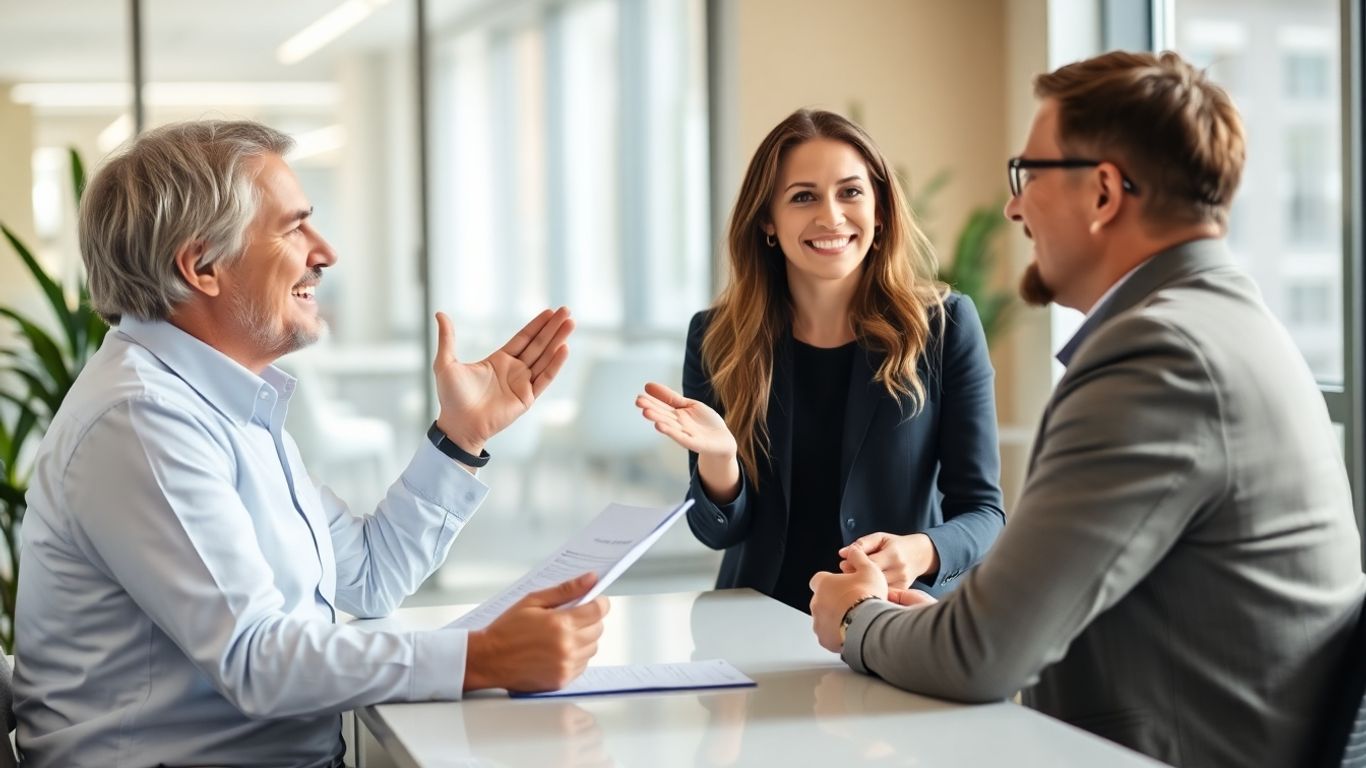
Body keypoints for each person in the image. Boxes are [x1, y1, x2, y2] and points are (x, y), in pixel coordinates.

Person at [809, 51, 1365, 767]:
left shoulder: (1159, 359)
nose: (1014, 207)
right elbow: (1007, 628)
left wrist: (856, 617)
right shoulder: (1226, 322)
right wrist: (941, 628)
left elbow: (982, 659)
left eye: (1028, 176)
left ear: (1103, 193)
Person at [13, 120, 609, 768]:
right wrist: (486, 654)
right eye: (293, 227)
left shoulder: (226, 405)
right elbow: (255, 658)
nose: (324, 252)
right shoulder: (142, 419)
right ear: (201, 265)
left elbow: (368, 576)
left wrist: (463, 436)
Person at [637, 109, 1004, 613]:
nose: (831, 216)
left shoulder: (944, 326)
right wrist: (720, 460)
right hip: (756, 621)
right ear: (768, 219)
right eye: (803, 196)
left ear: (879, 210)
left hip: (895, 620)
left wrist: (922, 551)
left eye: (850, 192)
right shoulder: (717, 336)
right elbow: (717, 533)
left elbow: (983, 511)